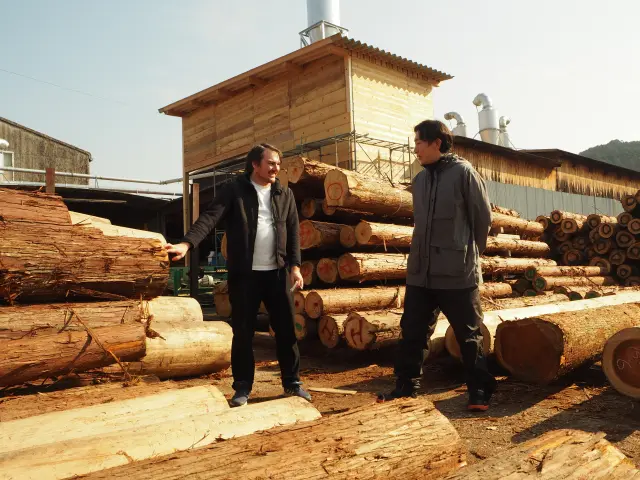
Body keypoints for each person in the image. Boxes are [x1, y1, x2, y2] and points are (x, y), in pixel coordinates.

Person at [165, 143, 310, 407]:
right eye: (271, 163)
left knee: (287, 331)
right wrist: (186, 244)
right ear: (255, 164)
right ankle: (242, 387)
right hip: (245, 277)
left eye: (278, 163)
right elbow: (209, 218)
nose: (276, 167)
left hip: (277, 275)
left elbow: (293, 232)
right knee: (242, 333)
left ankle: (292, 382)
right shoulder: (235, 191)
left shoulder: (284, 193)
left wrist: (295, 267)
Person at [378, 120, 497, 411]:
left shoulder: (464, 173)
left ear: (437, 144)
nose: (415, 148)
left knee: (468, 335)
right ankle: (406, 388)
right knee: (413, 333)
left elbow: (483, 220)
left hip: (457, 272)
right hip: (421, 272)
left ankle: (479, 392)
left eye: (419, 142)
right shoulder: (420, 181)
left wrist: (468, 253)